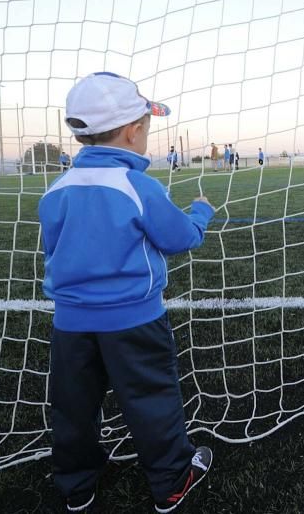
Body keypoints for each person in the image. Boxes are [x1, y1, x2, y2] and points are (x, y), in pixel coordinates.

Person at [38, 72, 215, 513]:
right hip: (135, 322)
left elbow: (55, 249)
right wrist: (200, 213)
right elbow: (180, 238)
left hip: (71, 326)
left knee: (73, 408)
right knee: (152, 400)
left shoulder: (57, 189)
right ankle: (173, 479)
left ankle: (76, 486)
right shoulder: (139, 186)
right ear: (134, 130)